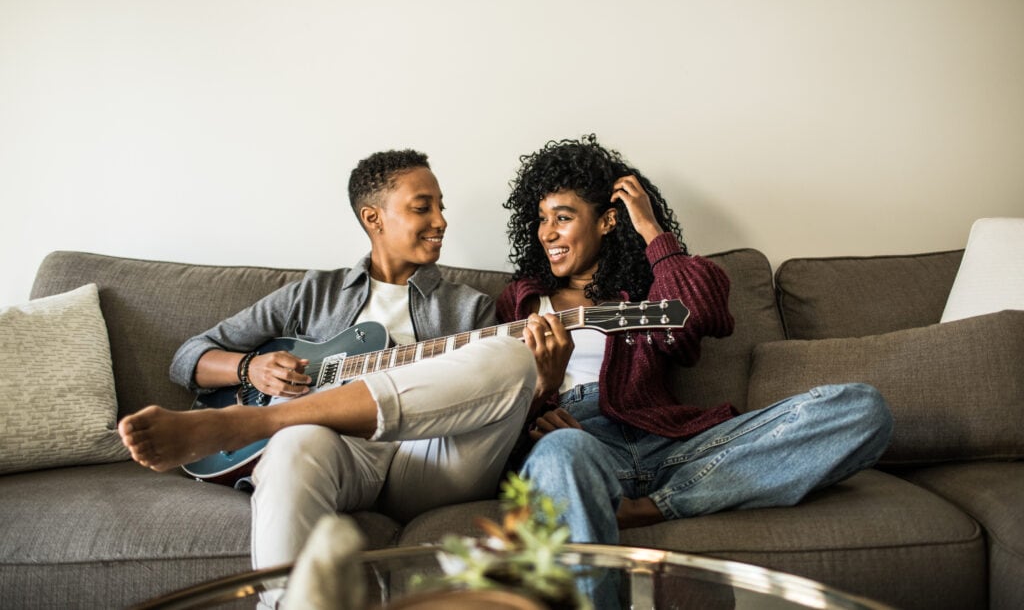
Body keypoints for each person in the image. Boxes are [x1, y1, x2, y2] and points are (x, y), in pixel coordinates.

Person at [118, 149, 557, 601]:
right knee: (295, 442)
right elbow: (189, 356)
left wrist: (543, 383)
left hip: (429, 462)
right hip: (341, 455)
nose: (441, 220)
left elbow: (489, 403)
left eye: (441, 206)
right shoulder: (314, 292)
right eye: (422, 207)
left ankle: (255, 423)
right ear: (374, 218)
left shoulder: (470, 305)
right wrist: (249, 366)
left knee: (509, 355)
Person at [498, 135, 894, 548]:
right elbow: (495, 404)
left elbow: (699, 313)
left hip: (671, 448)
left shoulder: (648, 293)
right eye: (542, 219)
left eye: (562, 217)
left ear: (607, 221)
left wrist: (652, 230)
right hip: (581, 443)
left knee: (862, 409)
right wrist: (544, 391)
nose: (547, 233)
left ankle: (657, 505)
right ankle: (646, 501)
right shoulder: (523, 300)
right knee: (559, 456)